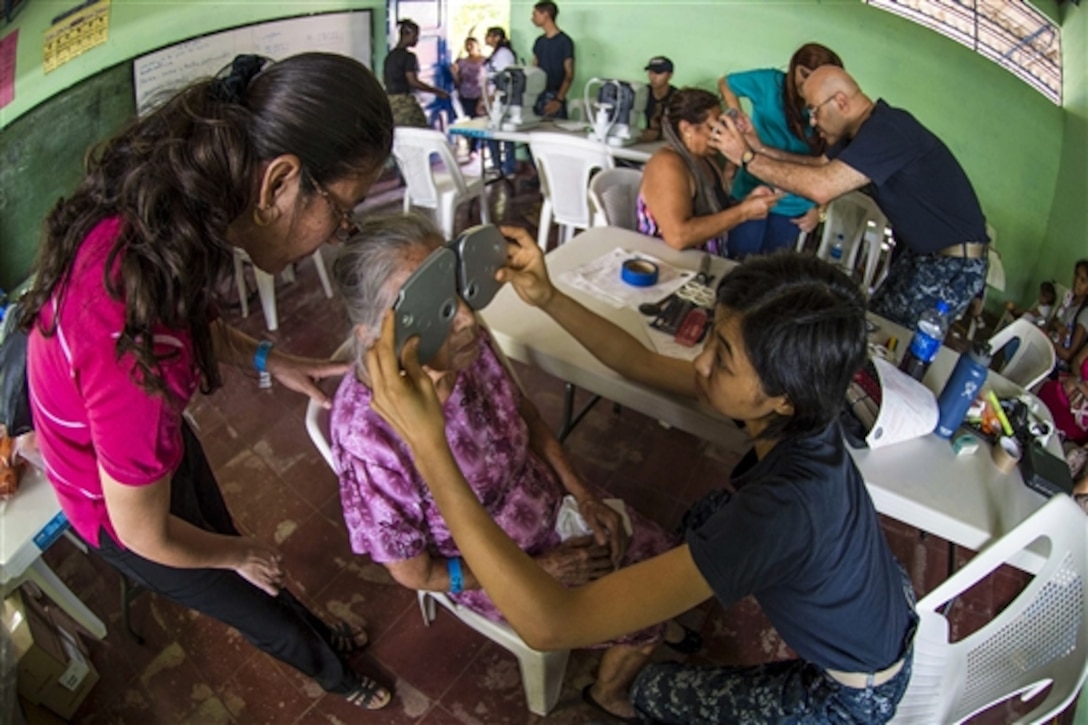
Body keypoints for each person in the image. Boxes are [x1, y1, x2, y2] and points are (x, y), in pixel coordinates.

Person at [363, 227, 918, 723]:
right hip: (877, 603)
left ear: (781, 400)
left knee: (653, 689)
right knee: (703, 520)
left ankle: (616, 696)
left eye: (721, 359)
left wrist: (427, 443)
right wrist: (548, 295)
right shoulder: (811, 408)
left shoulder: (778, 514)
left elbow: (551, 624)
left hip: (852, 692)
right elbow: (640, 363)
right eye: (711, 342)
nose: (699, 364)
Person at [22, 53, 395, 710]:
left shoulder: (167, 222)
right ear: (281, 182)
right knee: (248, 594)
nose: (343, 230)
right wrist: (237, 551)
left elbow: (193, 315)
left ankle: (314, 622)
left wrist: (267, 359)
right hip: (115, 509)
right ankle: (341, 674)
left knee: (238, 552)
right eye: (343, 208)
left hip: (142, 447)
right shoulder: (130, 326)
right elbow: (147, 533)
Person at [328, 214, 694, 720]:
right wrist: (534, 571)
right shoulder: (367, 435)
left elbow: (525, 414)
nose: (467, 319)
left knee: (659, 560)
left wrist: (582, 493)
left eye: (456, 288)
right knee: (642, 616)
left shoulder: (464, 347)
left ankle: (653, 620)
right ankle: (607, 692)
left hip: (552, 504)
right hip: (489, 564)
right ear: (373, 336)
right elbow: (414, 572)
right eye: (432, 305)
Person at [711, 65, 989, 328]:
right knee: (876, 325)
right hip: (920, 256)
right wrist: (757, 147)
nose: (812, 120)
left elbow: (822, 186)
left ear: (841, 102)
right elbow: (819, 166)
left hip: (951, 263)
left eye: (814, 110)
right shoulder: (861, 133)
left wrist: (745, 158)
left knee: (892, 341)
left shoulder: (889, 130)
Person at [717, 43, 843, 259]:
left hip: (796, 202)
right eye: (804, 74)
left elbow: (834, 166)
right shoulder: (770, 83)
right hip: (753, 187)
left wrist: (819, 209)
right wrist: (736, 115)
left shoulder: (833, 106)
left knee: (769, 268)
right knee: (734, 260)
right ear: (793, 68)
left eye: (818, 78)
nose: (808, 84)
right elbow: (726, 83)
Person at [636, 88, 781, 255]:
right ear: (687, 128)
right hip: (668, 264)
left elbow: (715, 215)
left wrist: (746, 203)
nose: (720, 133)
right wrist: (743, 212)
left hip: (704, 258)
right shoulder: (667, 164)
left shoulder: (706, 160)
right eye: (713, 126)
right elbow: (678, 237)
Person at [384, 19, 449, 128]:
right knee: (421, 131)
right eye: (415, 36)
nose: (417, 39)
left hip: (390, 103)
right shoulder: (409, 57)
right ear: (406, 35)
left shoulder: (389, 57)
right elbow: (413, 82)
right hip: (404, 104)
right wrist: (437, 91)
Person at [482, 26, 518, 177]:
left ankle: (509, 166)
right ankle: (497, 164)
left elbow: (503, 78)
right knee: (492, 131)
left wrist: (492, 97)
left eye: (489, 36)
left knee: (505, 133)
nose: (486, 39)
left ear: (497, 37)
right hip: (491, 97)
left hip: (501, 99)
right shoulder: (495, 54)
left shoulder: (504, 54)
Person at [531, 1, 574, 120]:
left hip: (554, 96)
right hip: (538, 95)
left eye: (535, 14)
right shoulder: (539, 42)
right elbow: (534, 69)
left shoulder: (564, 41)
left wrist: (558, 100)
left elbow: (569, 74)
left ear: (546, 14)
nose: (532, 18)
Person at [1044, 260, 1088, 367]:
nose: (1076, 281)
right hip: (1049, 348)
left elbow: (1069, 355)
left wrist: (1048, 341)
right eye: (1076, 275)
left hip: (1058, 363)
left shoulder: (1085, 313)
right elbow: (1051, 323)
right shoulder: (1069, 298)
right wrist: (1058, 325)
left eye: (1083, 280)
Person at [450, 36, 486, 154]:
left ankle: (475, 148)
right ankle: (471, 145)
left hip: (480, 95)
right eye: (467, 44)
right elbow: (458, 81)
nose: (469, 47)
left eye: (472, 44)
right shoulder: (461, 62)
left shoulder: (484, 61)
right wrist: (454, 73)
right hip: (465, 95)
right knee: (469, 121)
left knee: (479, 121)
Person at [640, 56, 678, 143]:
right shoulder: (642, 93)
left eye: (658, 73)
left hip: (669, 143)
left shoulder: (677, 97)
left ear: (670, 75)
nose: (653, 77)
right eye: (650, 72)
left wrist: (657, 135)